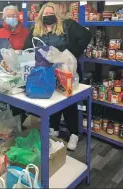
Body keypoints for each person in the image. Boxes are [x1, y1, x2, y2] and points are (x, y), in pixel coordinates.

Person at [23, 2, 91, 150]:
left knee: (69, 103)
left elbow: (86, 35)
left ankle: (74, 133)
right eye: (45, 14)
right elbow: (27, 48)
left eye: (51, 13)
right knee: (51, 101)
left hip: (66, 71)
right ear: (41, 15)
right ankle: (54, 128)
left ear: (57, 14)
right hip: (46, 73)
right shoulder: (35, 29)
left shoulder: (67, 26)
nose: (48, 16)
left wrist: (71, 53)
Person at [0, 5, 29, 122]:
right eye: (9, 16)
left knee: (20, 101)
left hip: (21, 72)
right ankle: (10, 122)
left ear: (18, 17)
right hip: (4, 73)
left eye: (14, 15)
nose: (12, 18)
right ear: (4, 18)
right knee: (7, 99)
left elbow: (29, 52)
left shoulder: (26, 32)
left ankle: (22, 122)